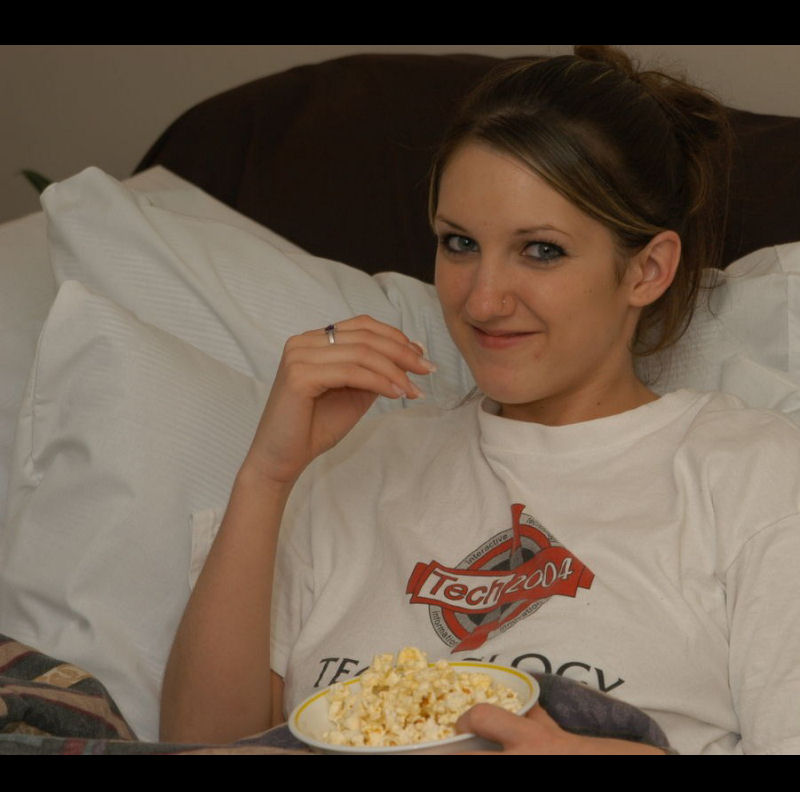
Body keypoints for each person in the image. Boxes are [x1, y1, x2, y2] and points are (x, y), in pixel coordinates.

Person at [160, 46, 800, 754]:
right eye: (459, 243)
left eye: (541, 250)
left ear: (647, 269)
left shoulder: (751, 473)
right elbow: (203, 744)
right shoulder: (356, 463)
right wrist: (267, 476)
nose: (483, 300)